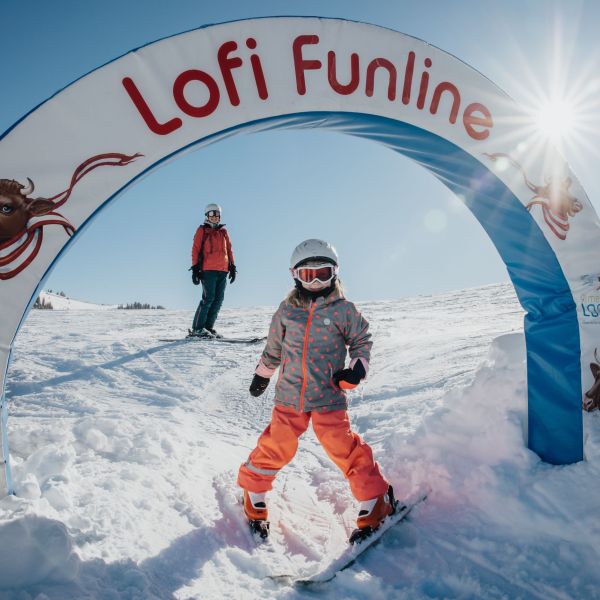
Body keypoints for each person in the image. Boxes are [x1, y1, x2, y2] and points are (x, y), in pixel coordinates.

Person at [237, 238, 395, 534]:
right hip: (289, 397)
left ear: (335, 273)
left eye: (322, 273)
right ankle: (252, 490)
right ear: (294, 276)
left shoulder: (343, 310)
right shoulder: (286, 311)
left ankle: (376, 497)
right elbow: (273, 349)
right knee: (277, 445)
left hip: (328, 395)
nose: (315, 281)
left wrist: (356, 370)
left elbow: (361, 341)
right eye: (307, 275)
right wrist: (262, 374)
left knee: (343, 447)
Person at [190, 203, 237, 337]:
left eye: (217, 214)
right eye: (212, 214)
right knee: (208, 298)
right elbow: (195, 249)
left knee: (218, 300)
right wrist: (195, 268)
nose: (215, 217)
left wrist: (232, 266)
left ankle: (208, 328)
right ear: (207, 216)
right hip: (208, 269)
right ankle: (197, 329)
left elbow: (229, 249)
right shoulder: (202, 230)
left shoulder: (223, 232)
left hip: (223, 270)